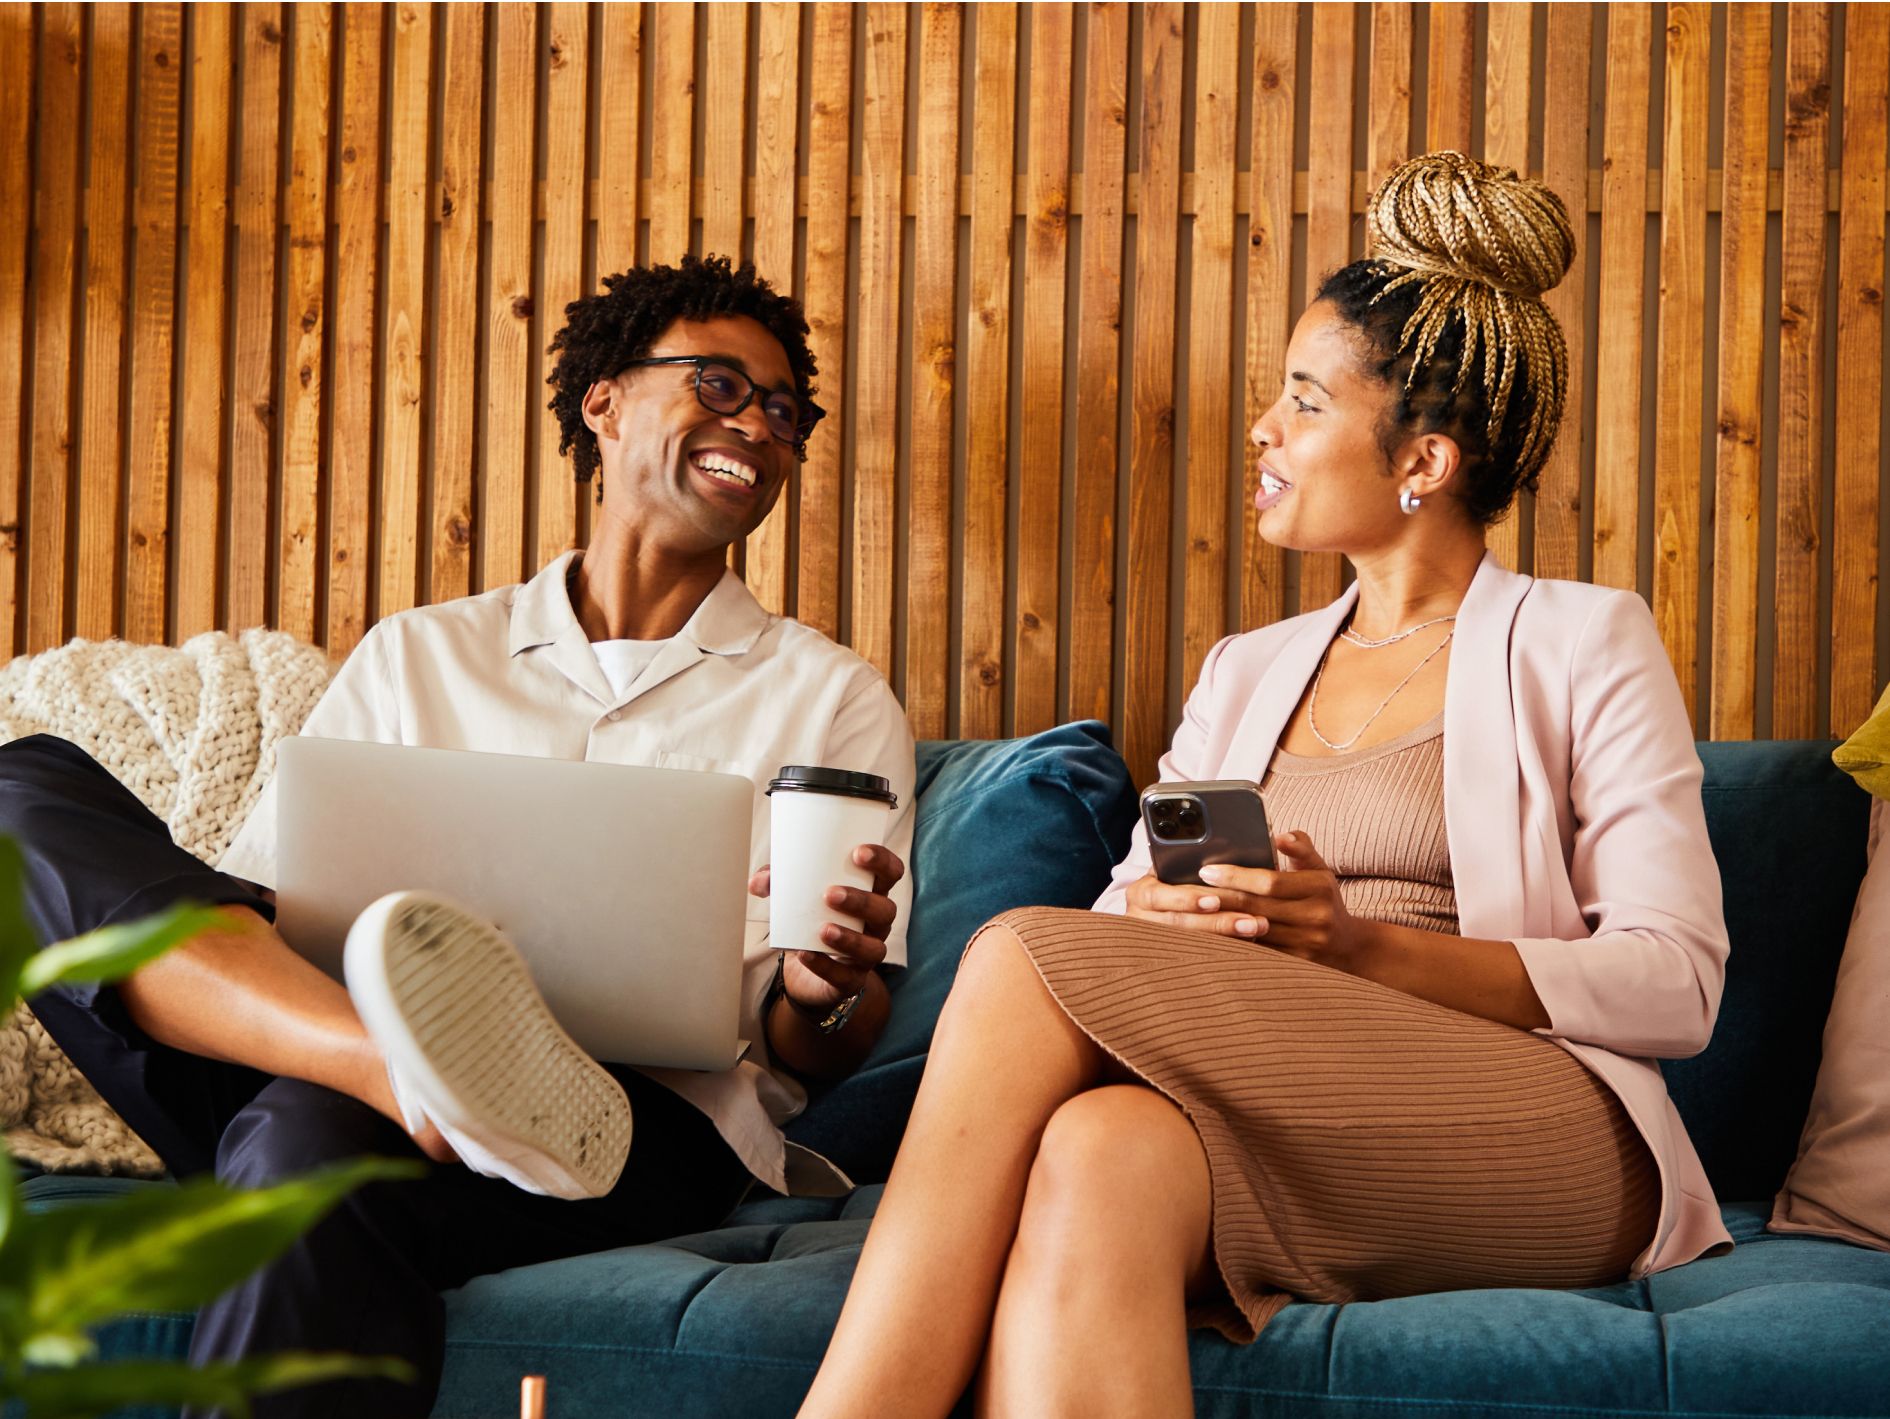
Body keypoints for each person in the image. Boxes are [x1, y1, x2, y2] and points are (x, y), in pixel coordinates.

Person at [797, 152, 1732, 1419]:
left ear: (1425, 460)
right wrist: (1165, 918)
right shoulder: (1249, 672)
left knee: (1018, 952)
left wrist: (1353, 947)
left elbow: (1675, 983)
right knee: (1100, 1151)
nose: (1264, 428)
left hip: (1540, 1119)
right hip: (1287, 1097)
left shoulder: (1580, 638)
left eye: (1304, 400)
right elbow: (1123, 920)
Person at [2, 254, 916, 1418]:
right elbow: (266, 905)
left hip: (625, 1126)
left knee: (296, 1148)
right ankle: (401, 1074)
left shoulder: (830, 698)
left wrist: (823, 982)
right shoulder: (417, 654)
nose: (761, 425)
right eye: (721, 385)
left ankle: (390, 1087)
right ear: (606, 400)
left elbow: (821, 1040)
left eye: (785, 410)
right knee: (21, 789)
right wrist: (370, 1052)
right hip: (323, 1048)